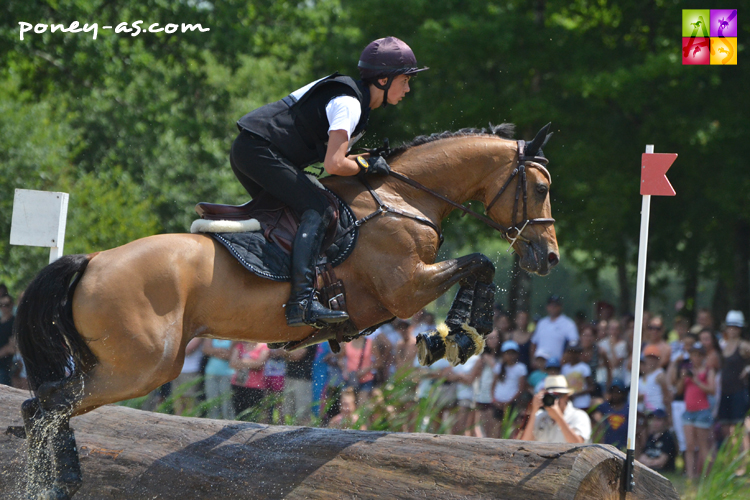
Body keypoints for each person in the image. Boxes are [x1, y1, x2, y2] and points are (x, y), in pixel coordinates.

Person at [232, 37, 427, 328]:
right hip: (259, 151)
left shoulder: (357, 104)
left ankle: (274, 298)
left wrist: (365, 159)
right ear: (384, 80)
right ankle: (301, 303)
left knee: (292, 217)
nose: (408, 89)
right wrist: (366, 164)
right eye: (405, 80)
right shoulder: (349, 104)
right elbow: (334, 164)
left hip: (253, 151)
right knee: (319, 209)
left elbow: (334, 163)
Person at [677, 342, 716, 479]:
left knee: (703, 445)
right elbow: (679, 391)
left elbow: (712, 390)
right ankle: (690, 476)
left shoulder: (708, 370)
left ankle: (706, 476)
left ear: (703, 356)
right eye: (694, 355)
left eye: (699, 355)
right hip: (688, 412)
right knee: (689, 445)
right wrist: (683, 378)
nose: (696, 357)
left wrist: (696, 380)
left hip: (702, 411)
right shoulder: (687, 370)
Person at [520, 375, 591, 444]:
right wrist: (533, 411)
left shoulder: (579, 416)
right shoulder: (539, 416)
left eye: (558, 395)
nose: (555, 400)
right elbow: (525, 443)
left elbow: (578, 444)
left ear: (566, 396)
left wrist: (559, 418)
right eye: (550, 396)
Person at [717, 311, 750, 450]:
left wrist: (748, 369)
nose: (732, 329)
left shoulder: (743, 345)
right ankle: (729, 461)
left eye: (736, 327)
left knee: (739, 428)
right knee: (725, 428)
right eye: (730, 326)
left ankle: (743, 465)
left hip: (738, 391)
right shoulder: (722, 344)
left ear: (740, 329)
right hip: (724, 391)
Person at [491, 340, 528, 437]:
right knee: (497, 426)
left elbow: (521, 388)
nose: (510, 356)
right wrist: (494, 400)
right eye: (507, 353)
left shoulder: (520, 368)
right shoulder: (499, 367)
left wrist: (509, 401)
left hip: (512, 402)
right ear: (503, 354)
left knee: (511, 426)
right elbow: (493, 385)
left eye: (512, 353)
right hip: (498, 402)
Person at [530, 295, 578, 362]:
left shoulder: (568, 323)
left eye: (556, 305)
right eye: (551, 305)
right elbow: (534, 342)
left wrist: (564, 359)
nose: (553, 307)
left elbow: (573, 343)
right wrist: (533, 360)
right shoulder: (542, 323)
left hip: (557, 365)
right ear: (547, 307)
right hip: (540, 364)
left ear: (560, 307)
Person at [229, 341, 270, 420]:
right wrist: (252, 362)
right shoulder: (240, 345)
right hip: (238, 384)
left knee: (253, 416)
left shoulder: (264, 347)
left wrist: (242, 362)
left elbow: (259, 364)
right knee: (238, 414)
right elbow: (232, 363)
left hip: (255, 386)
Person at [282, 345, 317, 424]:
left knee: (303, 414)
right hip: (290, 377)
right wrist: (288, 353)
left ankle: (305, 435)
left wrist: (285, 353)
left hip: (303, 380)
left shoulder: (309, 336)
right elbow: (277, 352)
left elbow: (296, 355)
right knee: (288, 412)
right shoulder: (293, 338)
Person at [202, 338, 236, 420]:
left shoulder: (233, 337)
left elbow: (231, 355)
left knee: (226, 402)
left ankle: (229, 423)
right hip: (211, 372)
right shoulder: (212, 334)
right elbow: (205, 350)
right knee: (212, 401)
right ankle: (212, 422)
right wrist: (221, 350)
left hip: (227, 374)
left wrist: (213, 351)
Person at [592, 379, 629, 451]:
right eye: (613, 392)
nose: (615, 394)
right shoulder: (604, 407)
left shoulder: (628, 409)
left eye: (618, 392)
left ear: (623, 393)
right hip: (605, 447)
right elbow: (594, 417)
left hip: (623, 447)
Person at [172, 337, 203, 416]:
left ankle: (192, 422)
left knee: (190, 401)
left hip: (191, 371)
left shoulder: (198, 335)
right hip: (177, 371)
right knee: (177, 401)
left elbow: (188, 350)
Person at [561, 344, 593, 410]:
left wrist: (575, 394)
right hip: (568, 402)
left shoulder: (584, 367)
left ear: (578, 354)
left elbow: (591, 387)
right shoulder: (564, 368)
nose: (572, 355)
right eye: (570, 353)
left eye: (574, 353)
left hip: (582, 402)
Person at [0, 294, 16, 386]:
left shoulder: (14, 322)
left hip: (6, 367)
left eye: (6, 305)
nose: (3, 308)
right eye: (1, 305)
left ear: (11, 305)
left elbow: (12, 347)